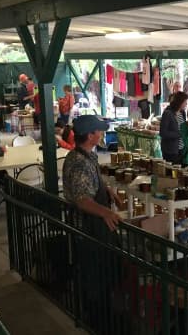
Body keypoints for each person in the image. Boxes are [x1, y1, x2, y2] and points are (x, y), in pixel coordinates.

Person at [62, 115, 123, 334]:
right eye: (99, 131)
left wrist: (107, 190)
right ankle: (96, 320)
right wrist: (105, 211)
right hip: (87, 229)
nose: (101, 134)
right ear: (90, 136)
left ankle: (104, 312)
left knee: (104, 274)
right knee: (95, 277)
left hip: (95, 227)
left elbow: (93, 182)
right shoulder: (78, 162)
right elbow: (82, 199)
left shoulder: (88, 156)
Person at [159, 91, 188, 164]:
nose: (186, 104)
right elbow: (163, 133)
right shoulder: (168, 113)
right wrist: (178, 134)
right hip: (170, 150)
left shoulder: (182, 113)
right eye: (185, 102)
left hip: (181, 149)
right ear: (179, 102)